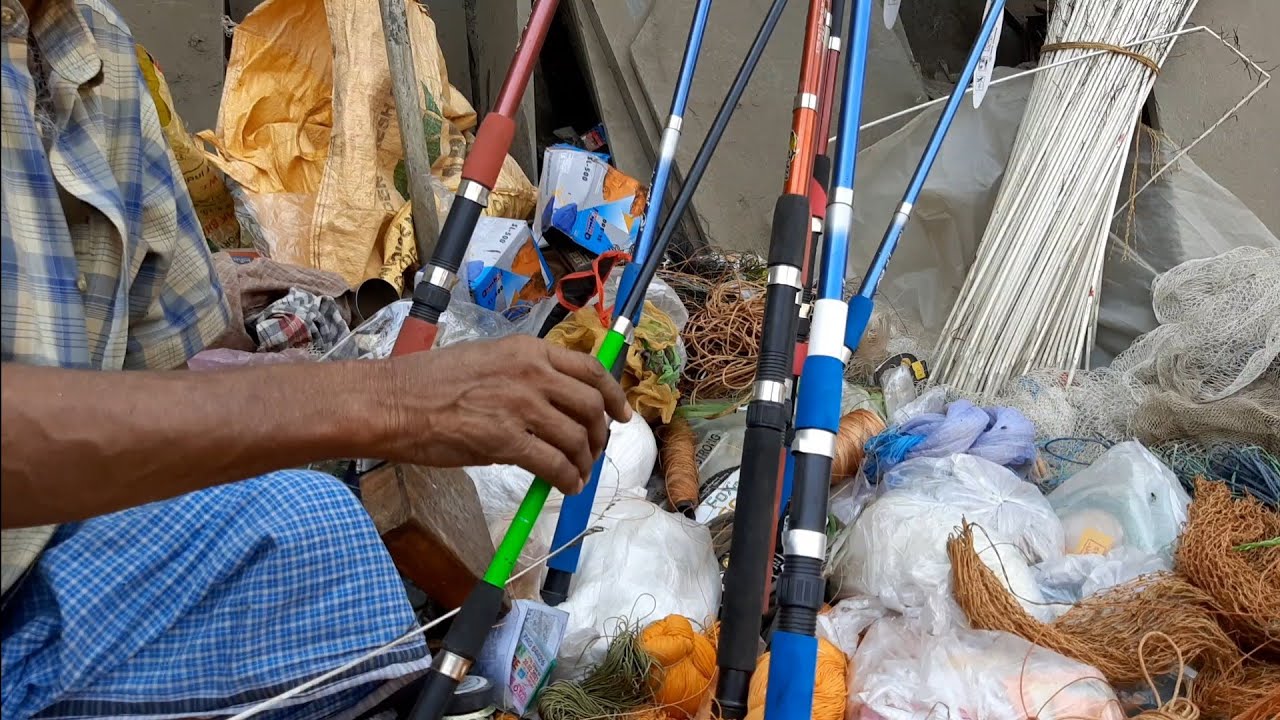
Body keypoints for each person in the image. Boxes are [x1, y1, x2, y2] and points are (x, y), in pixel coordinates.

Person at [0, 0, 631, 718]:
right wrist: (390, 401)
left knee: (313, 529)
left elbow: (176, 370)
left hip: (53, 573)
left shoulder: (91, 47)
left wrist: (339, 373)